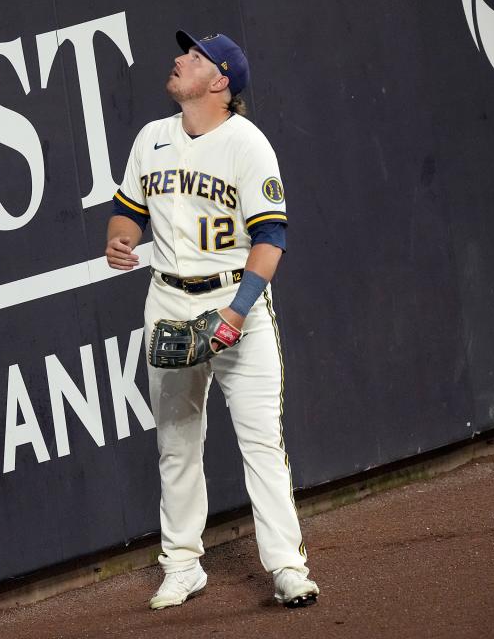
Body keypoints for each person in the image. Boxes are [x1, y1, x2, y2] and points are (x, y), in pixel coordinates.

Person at [105, 30, 320, 609]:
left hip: (236, 302)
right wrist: (121, 242)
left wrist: (236, 311)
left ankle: (287, 567)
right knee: (177, 444)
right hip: (170, 302)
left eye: (195, 56)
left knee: (261, 443)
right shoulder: (151, 139)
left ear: (220, 81)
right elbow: (127, 214)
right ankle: (181, 565)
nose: (179, 59)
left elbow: (270, 239)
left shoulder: (248, 146)